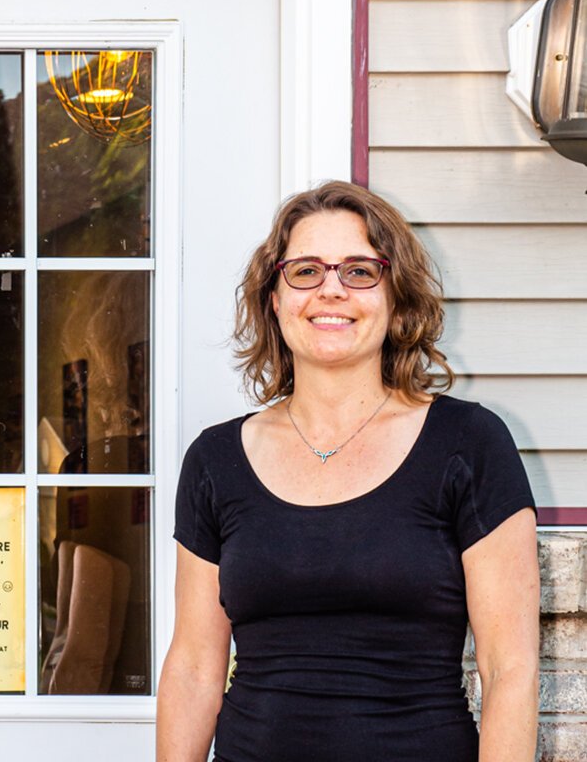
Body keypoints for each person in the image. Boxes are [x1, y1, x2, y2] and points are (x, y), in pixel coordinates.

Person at [157, 180, 539, 762]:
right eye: (305, 271)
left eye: (359, 271)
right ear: (274, 299)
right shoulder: (214, 460)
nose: (331, 289)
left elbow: (509, 669)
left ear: (396, 298)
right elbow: (192, 669)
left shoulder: (469, 443)